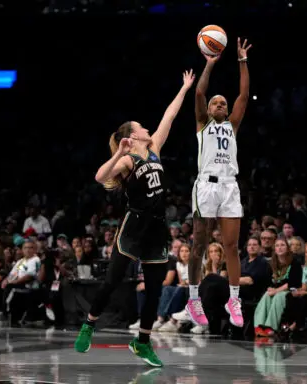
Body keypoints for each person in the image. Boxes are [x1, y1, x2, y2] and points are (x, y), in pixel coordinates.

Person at [74, 70, 195, 367]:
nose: (147, 128)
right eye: (141, 127)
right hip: (133, 226)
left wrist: (184, 88)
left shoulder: (154, 149)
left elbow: (170, 115)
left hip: (156, 227)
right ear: (131, 135)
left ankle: (142, 342)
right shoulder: (128, 159)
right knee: (113, 280)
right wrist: (119, 155)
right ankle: (89, 324)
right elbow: (100, 177)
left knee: (154, 289)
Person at [186, 38, 252, 328]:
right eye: (216, 102)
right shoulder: (203, 124)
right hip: (206, 187)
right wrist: (209, 64)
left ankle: (233, 299)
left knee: (232, 246)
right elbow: (199, 92)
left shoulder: (232, 126)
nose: (220, 104)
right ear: (209, 109)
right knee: (199, 243)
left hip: (229, 186)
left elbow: (244, 95)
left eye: (223, 102)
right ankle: (193, 298)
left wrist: (242, 61)